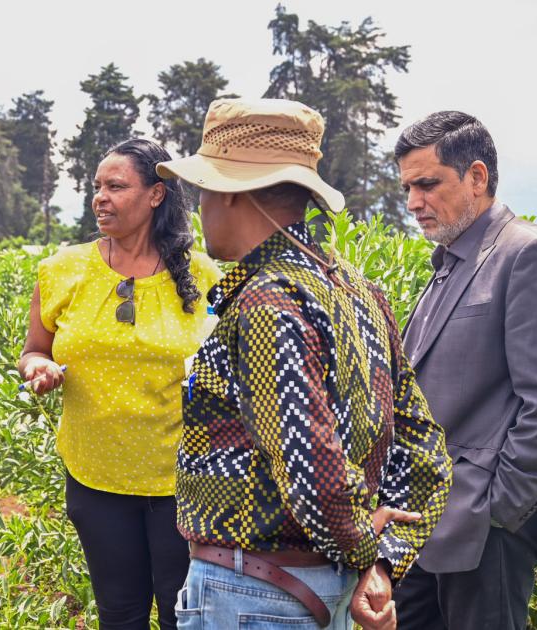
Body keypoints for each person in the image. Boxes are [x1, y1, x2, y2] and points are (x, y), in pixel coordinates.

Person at [156, 98, 452, 630]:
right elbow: (423, 443)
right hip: (314, 590)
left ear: (232, 195)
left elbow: (311, 464)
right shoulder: (360, 291)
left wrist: (366, 548)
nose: (199, 209)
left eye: (203, 192)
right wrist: (384, 559)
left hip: (252, 592)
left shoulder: (266, 301)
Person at [391, 111, 537, 629]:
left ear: (476, 177)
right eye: (408, 187)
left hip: (484, 530)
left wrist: (497, 510)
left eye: (427, 183)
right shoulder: (451, 261)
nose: (414, 202)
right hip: (428, 528)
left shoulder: (527, 253)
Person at [19, 138, 223, 629]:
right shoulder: (63, 269)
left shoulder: (202, 275)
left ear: (156, 195)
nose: (100, 198)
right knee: (120, 612)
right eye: (96, 187)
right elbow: (34, 348)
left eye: (115, 186)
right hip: (96, 474)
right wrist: (37, 369)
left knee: (183, 614)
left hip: (183, 478)